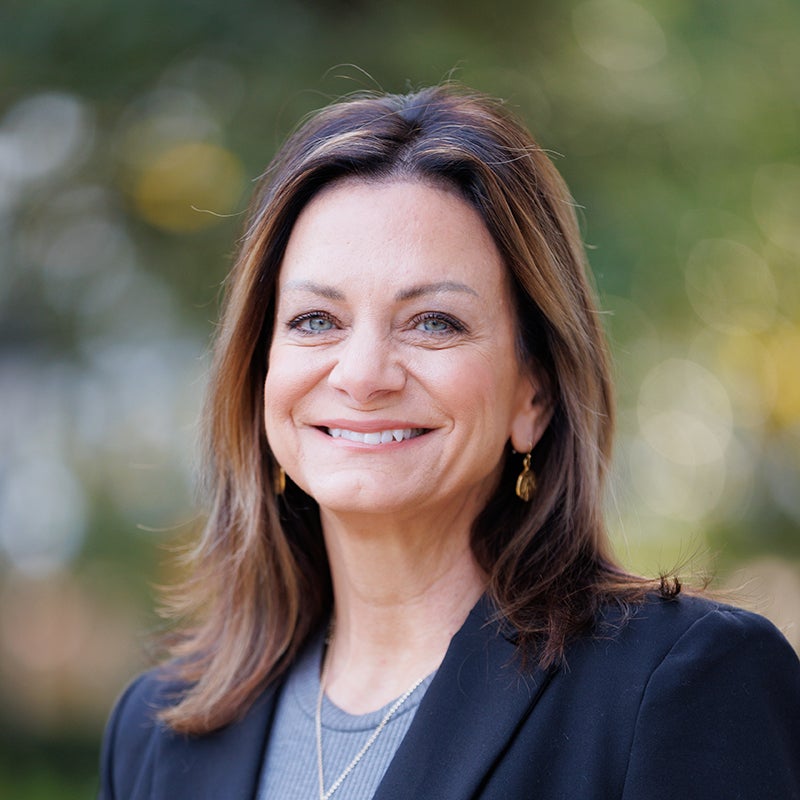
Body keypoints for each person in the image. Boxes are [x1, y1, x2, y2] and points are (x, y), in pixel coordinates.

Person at [98, 84, 800, 800]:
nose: (364, 374)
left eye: (434, 321)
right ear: (260, 371)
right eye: (315, 320)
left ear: (536, 394)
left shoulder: (686, 683)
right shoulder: (155, 734)